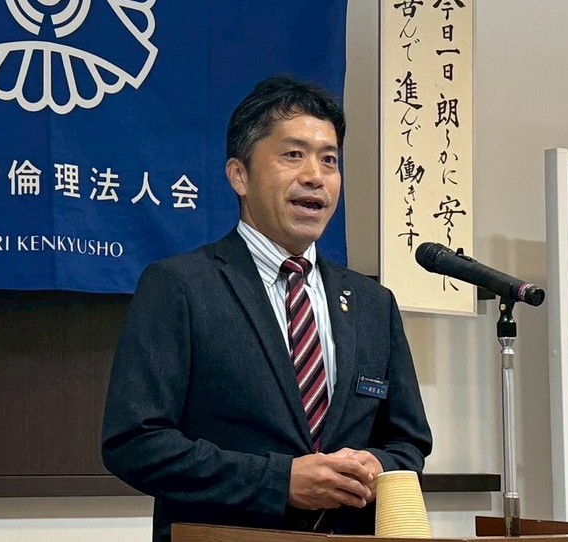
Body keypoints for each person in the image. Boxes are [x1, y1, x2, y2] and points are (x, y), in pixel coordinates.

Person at [102, 75, 432, 542]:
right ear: (239, 175)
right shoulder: (180, 286)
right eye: (293, 155)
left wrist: (376, 466)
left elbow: (409, 442)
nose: (315, 176)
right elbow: (134, 442)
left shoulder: (372, 302)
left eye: (329, 160)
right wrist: (279, 482)